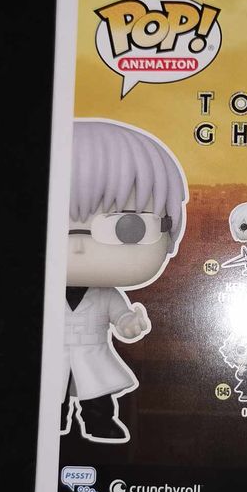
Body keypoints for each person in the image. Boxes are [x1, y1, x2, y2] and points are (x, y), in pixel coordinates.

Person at [61, 119, 188, 443]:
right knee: (51, 396)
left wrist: (130, 324)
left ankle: (99, 424)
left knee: (96, 395)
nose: (78, 246)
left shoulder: (106, 295)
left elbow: (121, 319)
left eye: (126, 228)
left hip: (92, 352)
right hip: (51, 358)